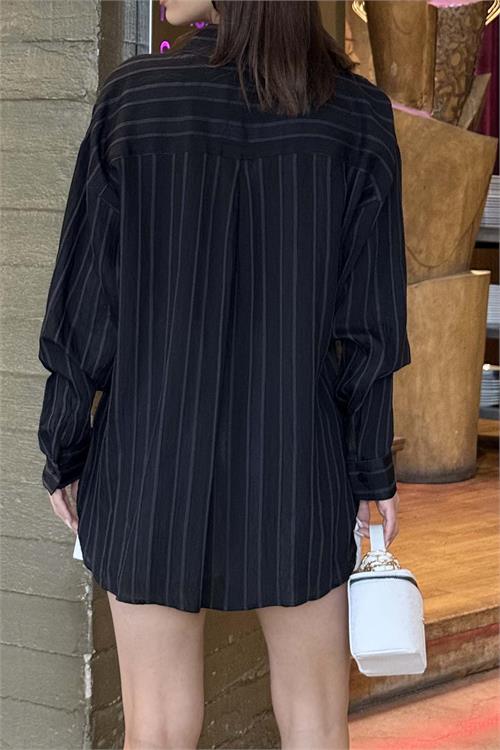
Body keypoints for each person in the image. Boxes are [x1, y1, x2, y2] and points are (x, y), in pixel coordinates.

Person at [37, 0, 411, 747]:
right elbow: (370, 329)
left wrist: (64, 446)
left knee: (157, 729)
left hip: (148, 461)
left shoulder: (134, 102)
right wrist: (371, 470)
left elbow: (84, 306)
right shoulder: (357, 117)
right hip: (296, 463)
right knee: (315, 722)